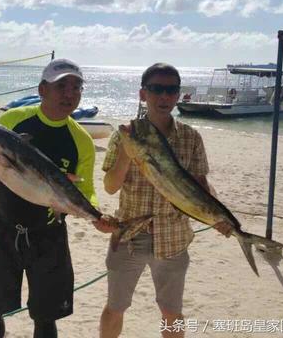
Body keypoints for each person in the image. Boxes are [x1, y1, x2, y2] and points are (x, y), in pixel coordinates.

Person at [93, 63, 232, 338]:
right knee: (115, 306)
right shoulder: (126, 133)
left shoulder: (191, 137)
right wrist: (127, 153)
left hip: (175, 236)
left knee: (171, 312)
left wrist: (218, 215)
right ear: (143, 94)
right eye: (157, 89)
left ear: (178, 95)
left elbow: (201, 186)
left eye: (171, 90)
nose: (164, 96)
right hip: (130, 235)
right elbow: (110, 187)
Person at [0, 58, 100, 338]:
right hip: (5, 228)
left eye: (76, 87)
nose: (70, 94)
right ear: (42, 90)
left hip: (50, 235)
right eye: (61, 85)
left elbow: (86, 192)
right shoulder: (11, 122)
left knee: (46, 316)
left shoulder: (82, 140)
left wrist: (96, 214)